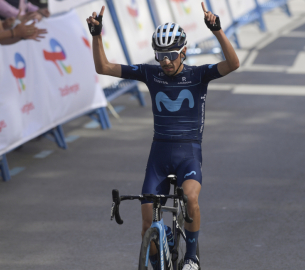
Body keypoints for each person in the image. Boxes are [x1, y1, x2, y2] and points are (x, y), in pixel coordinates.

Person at [87, 2, 239, 270]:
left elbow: (233, 64)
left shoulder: (198, 74)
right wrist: (96, 36)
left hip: (188, 153)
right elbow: (104, 68)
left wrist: (217, 31)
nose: (165, 61)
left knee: (191, 199)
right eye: (160, 55)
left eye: (170, 54)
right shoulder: (151, 73)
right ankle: (158, 260)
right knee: (147, 225)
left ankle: (191, 257)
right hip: (158, 155)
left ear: (184, 52)